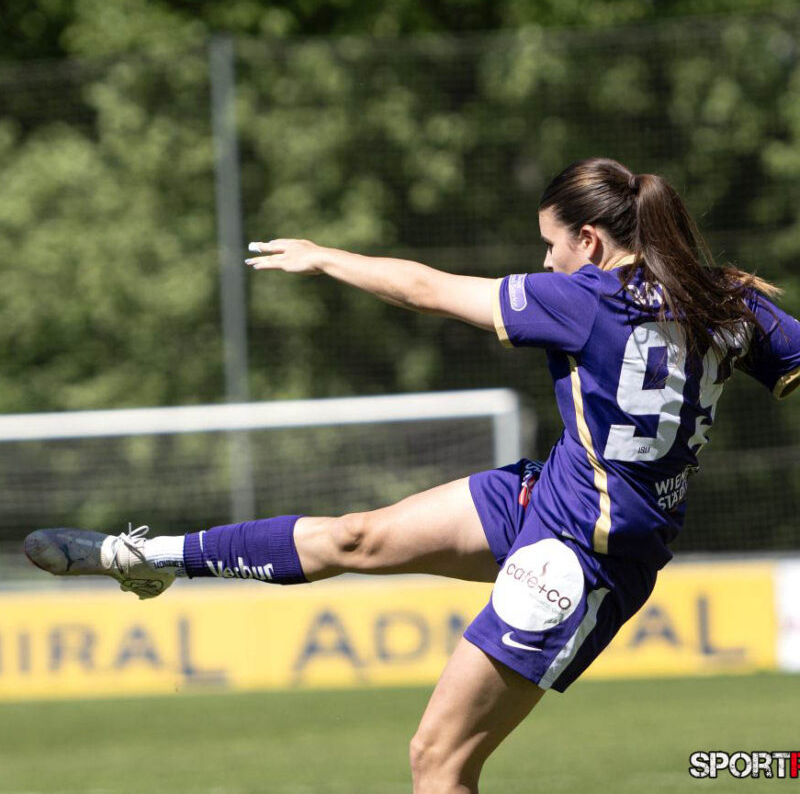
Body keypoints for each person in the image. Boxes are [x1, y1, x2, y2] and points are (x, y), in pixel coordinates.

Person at [25, 157, 800, 794]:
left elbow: (428, 290)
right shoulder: (729, 300)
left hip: (585, 554)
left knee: (439, 764)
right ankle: (150, 560)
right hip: (550, 494)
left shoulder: (580, 299)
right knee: (352, 537)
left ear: (590, 242)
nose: (545, 260)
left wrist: (327, 257)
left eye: (551, 244)